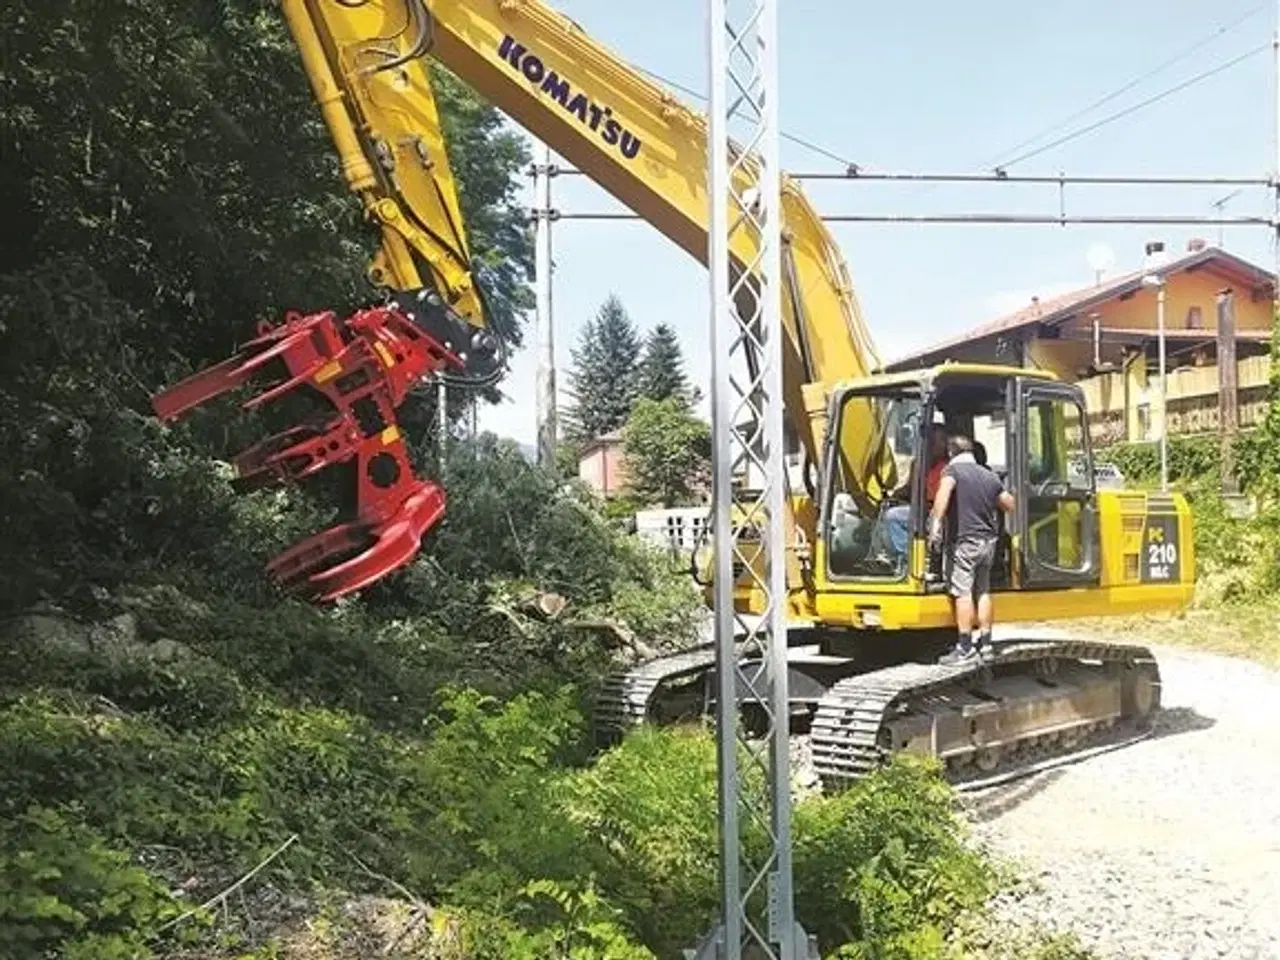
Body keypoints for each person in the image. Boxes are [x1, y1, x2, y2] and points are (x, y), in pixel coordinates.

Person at [928, 434, 1015, 665]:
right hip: (988, 543)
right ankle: (986, 645)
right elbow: (1009, 504)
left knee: (963, 593)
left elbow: (943, 496)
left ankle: (965, 647)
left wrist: (936, 525)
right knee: (983, 591)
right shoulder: (989, 476)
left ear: (950, 452)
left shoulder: (952, 472)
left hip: (965, 542)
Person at [877, 423, 948, 565]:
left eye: (938, 442)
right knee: (887, 512)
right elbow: (910, 488)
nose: (934, 446)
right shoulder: (919, 464)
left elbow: (934, 497)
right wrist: (893, 495)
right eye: (932, 442)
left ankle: (909, 558)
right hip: (922, 509)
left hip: (934, 513)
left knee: (893, 516)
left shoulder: (946, 468)